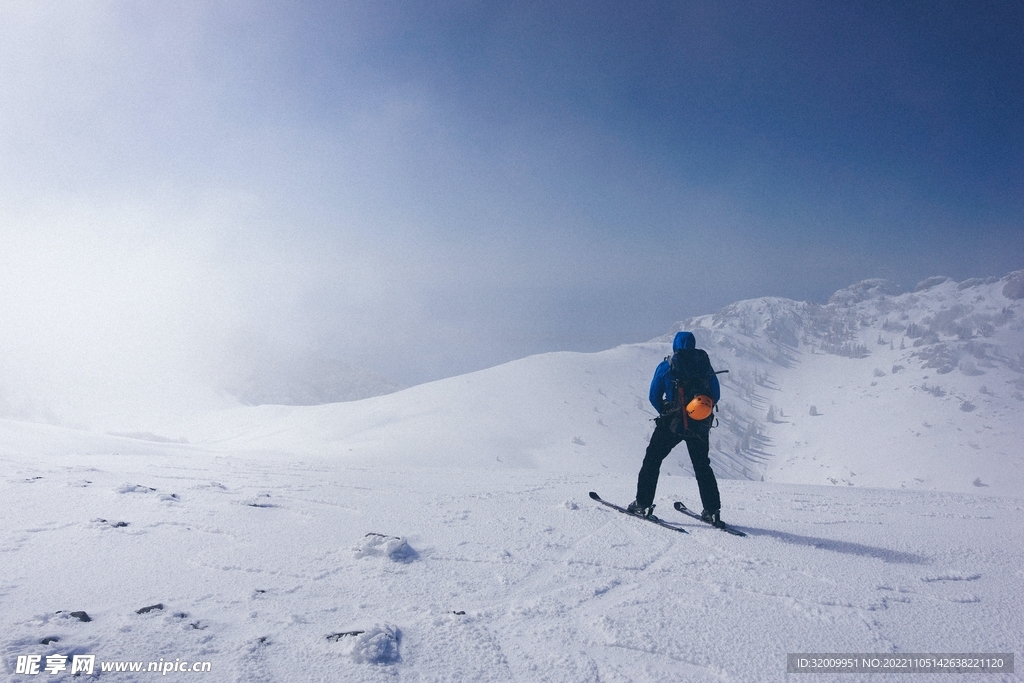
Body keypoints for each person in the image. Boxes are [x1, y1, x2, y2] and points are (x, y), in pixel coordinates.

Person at [627, 331, 724, 525]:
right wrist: (699, 413)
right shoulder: (705, 366)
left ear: (675, 345)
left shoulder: (667, 366)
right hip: (699, 425)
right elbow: (716, 394)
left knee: (652, 460)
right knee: (702, 466)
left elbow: (654, 396)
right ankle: (712, 511)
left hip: (672, 424)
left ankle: (643, 503)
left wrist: (666, 410)